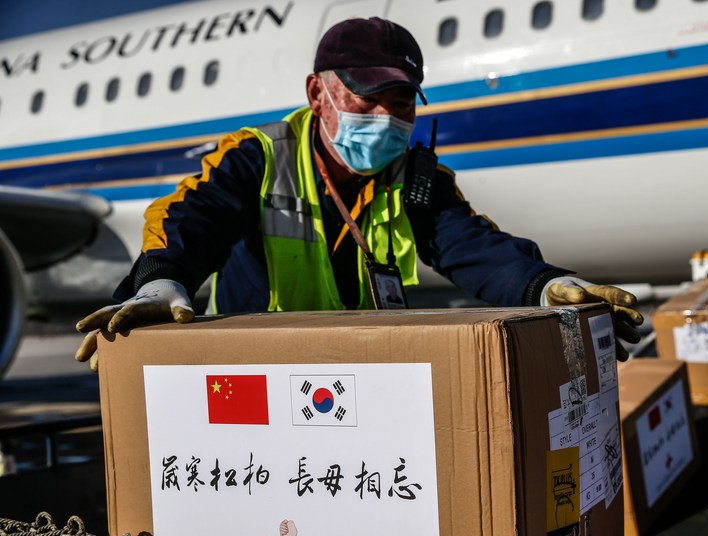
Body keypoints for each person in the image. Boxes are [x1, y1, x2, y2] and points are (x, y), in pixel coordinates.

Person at [75, 17, 642, 371]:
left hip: (361, 373)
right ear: (317, 94)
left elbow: (473, 246)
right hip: (256, 374)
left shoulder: (416, 179)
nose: (386, 118)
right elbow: (190, 216)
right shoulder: (258, 157)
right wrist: (159, 280)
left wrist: (546, 285)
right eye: (367, 99)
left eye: (401, 104)